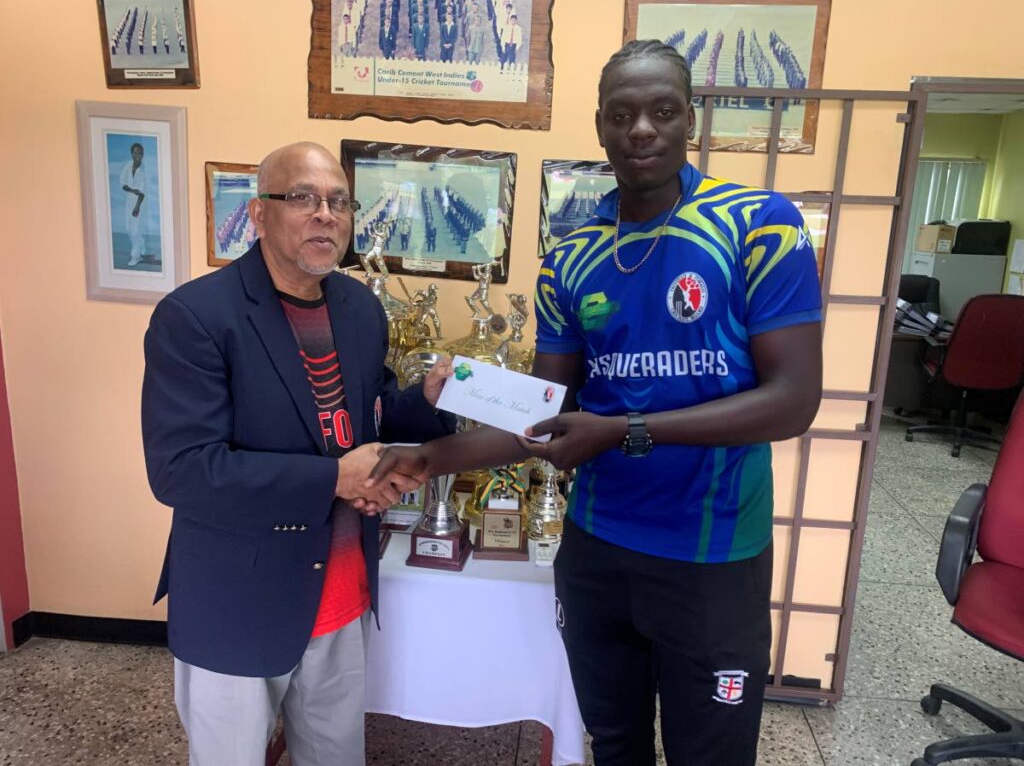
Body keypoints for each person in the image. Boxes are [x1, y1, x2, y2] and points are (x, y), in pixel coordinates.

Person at [369, 40, 822, 766]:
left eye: (662, 111)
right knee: (613, 742)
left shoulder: (760, 225)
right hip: (598, 549)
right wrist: (432, 455)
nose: (641, 129)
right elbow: (547, 411)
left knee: (711, 755)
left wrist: (624, 431)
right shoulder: (572, 256)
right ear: (602, 128)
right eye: (623, 115)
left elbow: (793, 402)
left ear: (689, 122)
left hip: (711, 556)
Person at [141, 142, 454, 766]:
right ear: (258, 214)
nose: (325, 215)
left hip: (340, 595)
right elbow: (183, 470)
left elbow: (366, 418)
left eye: (338, 201)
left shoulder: (360, 310)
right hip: (239, 602)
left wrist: (425, 400)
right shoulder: (196, 317)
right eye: (303, 198)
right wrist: (335, 478)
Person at [120, 142, 147, 267]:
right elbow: (123, 184)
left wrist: (137, 207)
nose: (137, 155)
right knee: (128, 228)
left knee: (136, 229)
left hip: (140, 203)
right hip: (129, 201)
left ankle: (135, 256)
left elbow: (142, 193)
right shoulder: (127, 166)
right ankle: (140, 243)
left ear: (142, 155)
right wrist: (133, 190)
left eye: (139, 153)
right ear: (132, 154)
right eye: (135, 152)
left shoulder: (143, 170)